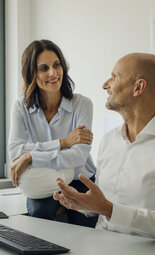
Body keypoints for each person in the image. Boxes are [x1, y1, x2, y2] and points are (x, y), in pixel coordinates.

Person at [54, 53, 155, 243]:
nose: (105, 85)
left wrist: (108, 209)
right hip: (102, 251)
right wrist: (82, 203)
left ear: (138, 87)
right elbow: (102, 204)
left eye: (114, 77)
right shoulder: (109, 140)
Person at [8, 40, 97, 227]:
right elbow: (15, 152)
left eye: (56, 65)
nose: (53, 73)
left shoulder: (82, 105)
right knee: (39, 219)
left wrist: (31, 156)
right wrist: (63, 143)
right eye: (43, 68)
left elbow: (78, 157)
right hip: (44, 181)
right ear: (31, 74)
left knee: (85, 233)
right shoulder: (20, 107)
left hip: (80, 180)